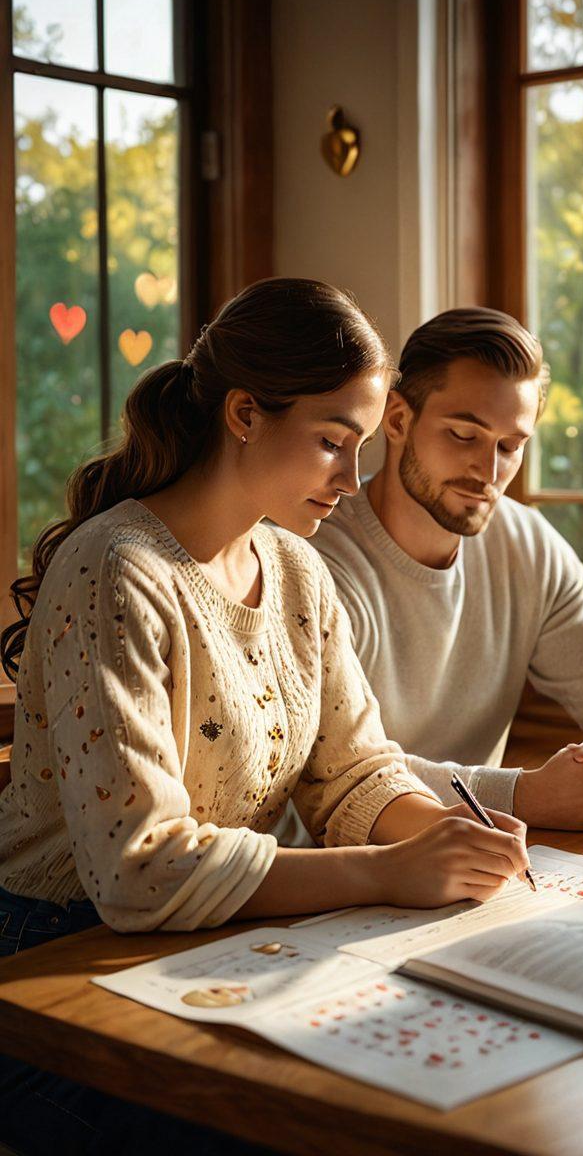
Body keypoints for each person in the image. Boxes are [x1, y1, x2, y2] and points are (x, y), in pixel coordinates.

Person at [0, 279, 529, 1155]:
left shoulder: (295, 570)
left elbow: (353, 771)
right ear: (245, 413)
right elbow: (138, 870)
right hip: (53, 968)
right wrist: (389, 871)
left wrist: (443, 837)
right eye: (331, 443)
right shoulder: (117, 570)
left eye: (360, 449)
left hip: (217, 944)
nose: (351, 481)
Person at [312, 306, 583, 834]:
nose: (488, 471)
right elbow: (335, 773)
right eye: (463, 435)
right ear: (397, 420)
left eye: (510, 446)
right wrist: (525, 795)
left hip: (488, 857)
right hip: (350, 861)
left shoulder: (526, 544)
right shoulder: (317, 562)